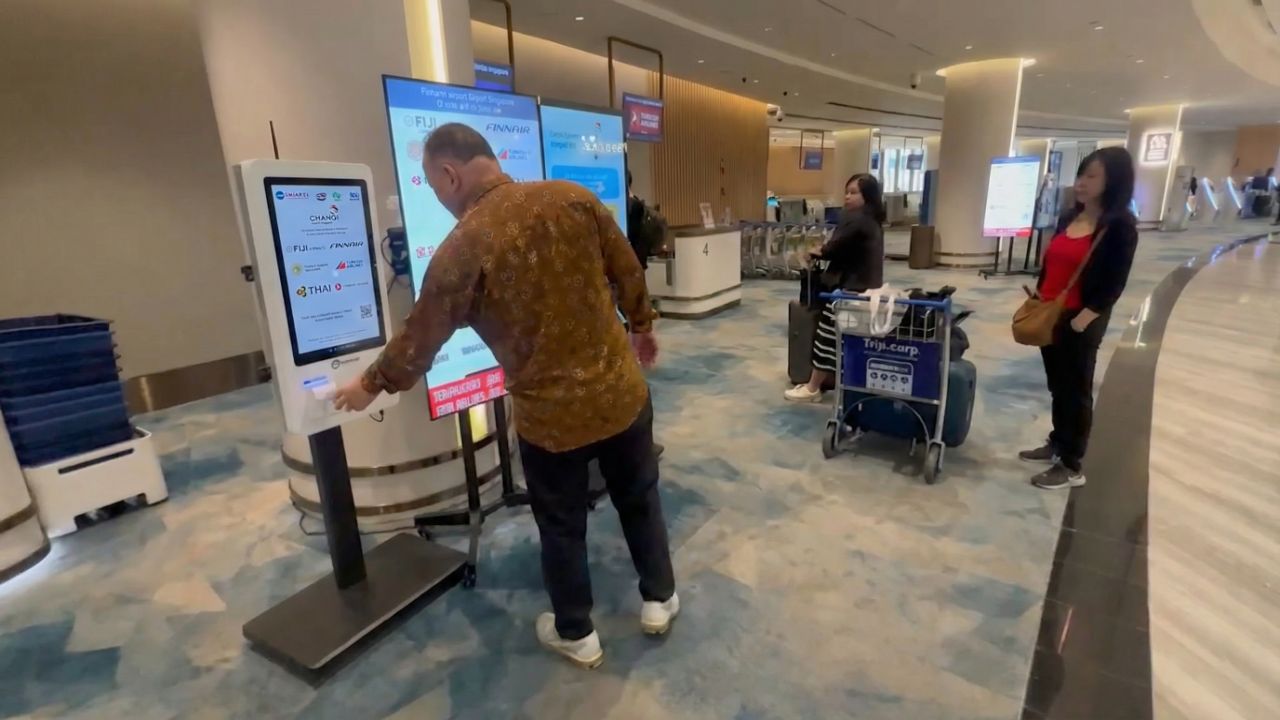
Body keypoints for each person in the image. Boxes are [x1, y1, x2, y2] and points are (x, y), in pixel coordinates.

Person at [332, 123, 677, 669]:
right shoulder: (574, 198)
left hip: (550, 420)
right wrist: (641, 324)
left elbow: (420, 337)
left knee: (561, 526)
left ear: (450, 174)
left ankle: (578, 633)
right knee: (639, 497)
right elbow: (627, 268)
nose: (439, 198)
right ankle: (659, 599)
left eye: (433, 185)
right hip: (620, 393)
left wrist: (368, 384)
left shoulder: (461, 248)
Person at [1020, 147, 1139, 490]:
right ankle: (1058, 441)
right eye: (1081, 175)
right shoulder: (1068, 217)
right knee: (1058, 385)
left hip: (1080, 318)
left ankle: (1072, 464)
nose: (1082, 182)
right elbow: (1052, 263)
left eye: (1092, 176)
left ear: (1112, 181)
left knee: (1077, 389)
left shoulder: (1118, 226)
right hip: (1051, 313)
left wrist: (1085, 317)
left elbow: (1115, 280)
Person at [784, 173, 885, 402]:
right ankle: (835, 383)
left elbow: (832, 249)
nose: (847, 197)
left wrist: (814, 251)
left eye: (854, 192)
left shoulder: (856, 220)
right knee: (845, 339)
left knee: (826, 338)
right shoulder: (872, 220)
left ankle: (812, 388)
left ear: (866, 196)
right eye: (846, 192)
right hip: (866, 289)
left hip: (850, 290)